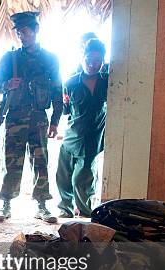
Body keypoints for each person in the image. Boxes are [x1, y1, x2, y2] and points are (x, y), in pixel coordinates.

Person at [0, 11, 63, 223]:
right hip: (15, 118)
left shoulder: (50, 59)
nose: (21, 35)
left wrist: (56, 120)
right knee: (13, 162)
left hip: (39, 118)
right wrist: (6, 85)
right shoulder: (10, 58)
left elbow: (58, 91)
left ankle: (42, 205)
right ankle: (6, 203)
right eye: (18, 31)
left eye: (24, 30)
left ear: (35, 30)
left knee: (40, 161)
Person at [56, 39, 108, 218]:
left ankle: (86, 213)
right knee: (63, 177)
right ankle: (65, 210)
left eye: (97, 60)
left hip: (93, 139)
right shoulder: (70, 83)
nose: (92, 64)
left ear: (103, 61)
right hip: (72, 137)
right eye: (88, 59)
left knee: (82, 179)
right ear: (82, 58)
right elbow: (65, 110)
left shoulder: (108, 82)